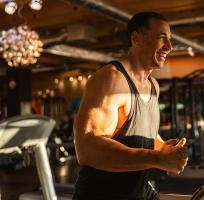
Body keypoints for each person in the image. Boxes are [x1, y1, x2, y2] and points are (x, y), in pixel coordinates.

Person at [73, 12, 188, 200]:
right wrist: (157, 159)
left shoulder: (153, 86)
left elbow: (144, 136)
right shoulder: (111, 79)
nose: (169, 46)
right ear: (136, 38)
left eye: (170, 39)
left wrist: (163, 148)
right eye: (161, 38)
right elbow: (88, 149)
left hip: (138, 191)